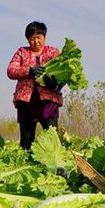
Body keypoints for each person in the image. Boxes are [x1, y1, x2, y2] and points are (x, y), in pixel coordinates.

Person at [7, 21, 65, 150]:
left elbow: (65, 73)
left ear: (44, 37)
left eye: (39, 37)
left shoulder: (53, 53)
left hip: (48, 100)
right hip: (26, 101)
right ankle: (25, 166)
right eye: (32, 39)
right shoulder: (22, 52)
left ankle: (57, 168)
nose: (36, 41)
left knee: (52, 138)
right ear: (28, 40)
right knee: (26, 140)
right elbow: (11, 70)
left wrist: (56, 85)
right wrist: (29, 70)